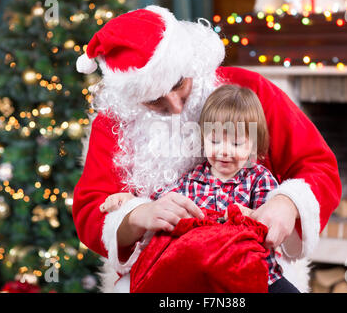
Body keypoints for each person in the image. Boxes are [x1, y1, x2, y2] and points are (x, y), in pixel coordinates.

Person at [73, 5, 342, 293]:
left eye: (178, 83)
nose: (176, 107)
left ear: (190, 63)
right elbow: (91, 208)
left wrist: (287, 204)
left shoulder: (249, 92)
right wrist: (138, 215)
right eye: (154, 100)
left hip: (249, 262)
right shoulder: (114, 123)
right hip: (160, 266)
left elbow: (318, 166)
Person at [100, 85, 300, 292]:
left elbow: (269, 228)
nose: (224, 151)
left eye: (237, 144)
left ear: (253, 145)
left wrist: (248, 215)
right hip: (203, 275)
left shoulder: (259, 179)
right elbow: (158, 204)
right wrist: (129, 201)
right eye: (214, 141)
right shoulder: (193, 178)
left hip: (253, 272)